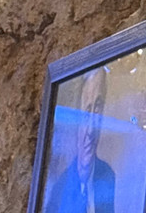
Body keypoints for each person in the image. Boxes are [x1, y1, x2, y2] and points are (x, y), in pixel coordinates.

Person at [46, 68, 116, 213]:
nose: (90, 131)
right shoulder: (59, 189)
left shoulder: (107, 175)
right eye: (86, 113)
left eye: (97, 109)